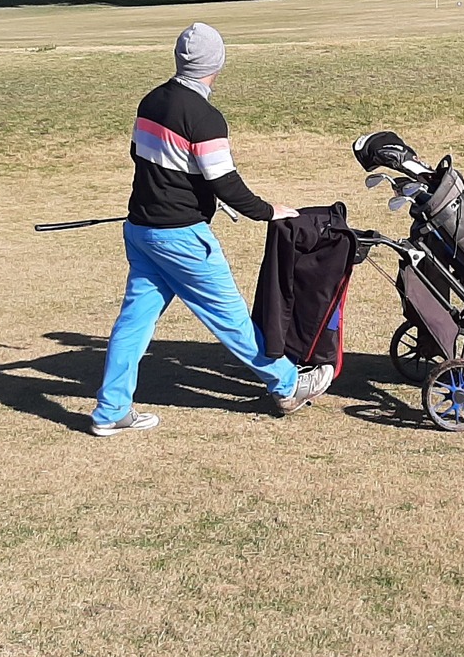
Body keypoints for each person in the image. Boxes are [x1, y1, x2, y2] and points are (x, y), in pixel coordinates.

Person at [91, 22, 334, 436]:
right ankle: (288, 384)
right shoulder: (205, 117)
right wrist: (268, 211)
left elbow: (144, 156)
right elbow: (227, 184)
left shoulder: (151, 100)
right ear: (216, 63)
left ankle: (112, 410)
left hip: (141, 231)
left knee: (134, 322)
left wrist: (195, 188)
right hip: (182, 238)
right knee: (231, 318)